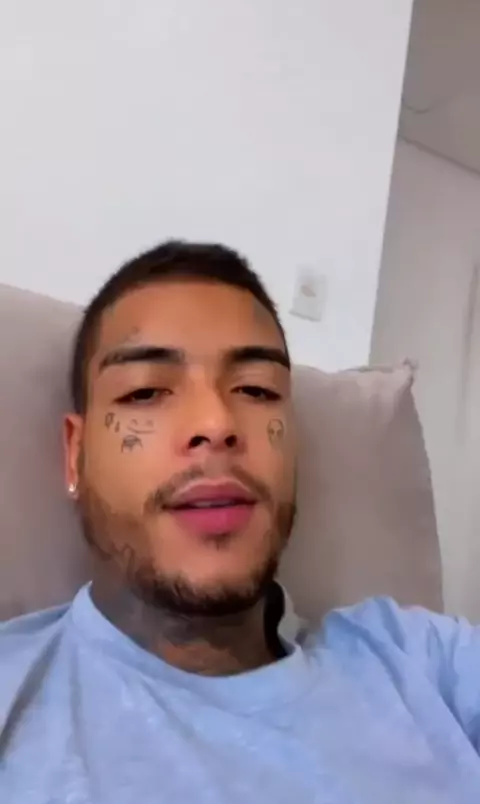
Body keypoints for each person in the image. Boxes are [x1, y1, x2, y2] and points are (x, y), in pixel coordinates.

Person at [2, 241, 480, 804]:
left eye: (257, 390)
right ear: (75, 455)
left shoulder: (422, 664)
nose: (216, 423)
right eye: (146, 391)